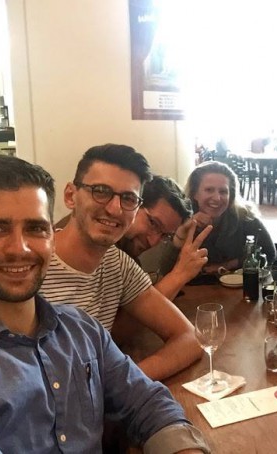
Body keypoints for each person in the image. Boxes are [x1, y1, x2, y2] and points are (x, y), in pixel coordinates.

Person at [0, 155, 209, 453]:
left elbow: (148, 403)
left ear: (52, 237)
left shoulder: (82, 329)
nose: (20, 248)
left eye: (36, 229)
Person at [45, 144, 202, 380]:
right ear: (71, 196)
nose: (115, 209)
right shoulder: (30, 264)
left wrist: (123, 385)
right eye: (100, 191)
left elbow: (192, 338)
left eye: (128, 198)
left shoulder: (118, 264)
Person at [117, 175, 212, 300]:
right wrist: (180, 273)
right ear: (132, 204)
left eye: (165, 235)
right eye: (153, 223)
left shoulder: (129, 260)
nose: (153, 242)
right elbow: (137, 311)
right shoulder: (103, 253)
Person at [185, 161, 276, 274]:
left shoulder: (246, 217)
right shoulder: (183, 220)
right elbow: (170, 266)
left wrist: (228, 265)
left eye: (223, 192)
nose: (217, 198)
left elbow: (269, 254)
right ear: (195, 193)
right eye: (209, 190)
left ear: (231, 195)